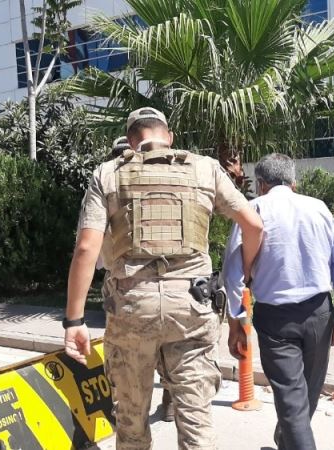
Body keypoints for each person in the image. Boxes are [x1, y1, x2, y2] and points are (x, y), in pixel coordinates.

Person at [63, 107, 264, 450]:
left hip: (131, 309)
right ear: (169, 137)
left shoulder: (108, 174)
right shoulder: (205, 168)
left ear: (131, 141)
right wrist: (244, 273)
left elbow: (85, 248)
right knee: (196, 423)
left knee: (131, 422)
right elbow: (254, 226)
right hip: (192, 307)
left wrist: (74, 321)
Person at [224, 153, 334, 450]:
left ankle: (289, 441)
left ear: (261, 184)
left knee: (293, 399)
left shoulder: (253, 209)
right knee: (306, 396)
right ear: (294, 183)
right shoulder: (318, 208)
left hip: (275, 319)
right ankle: (287, 441)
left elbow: (233, 273)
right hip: (318, 313)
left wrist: (236, 324)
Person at [98, 134, 175, 422]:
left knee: (125, 350)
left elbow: (92, 244)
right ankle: (169, 400)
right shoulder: (160, 183)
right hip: (166, 278)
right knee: (165, 343)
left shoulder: (107, 185)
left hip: (123, 283)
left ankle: (128, 411)